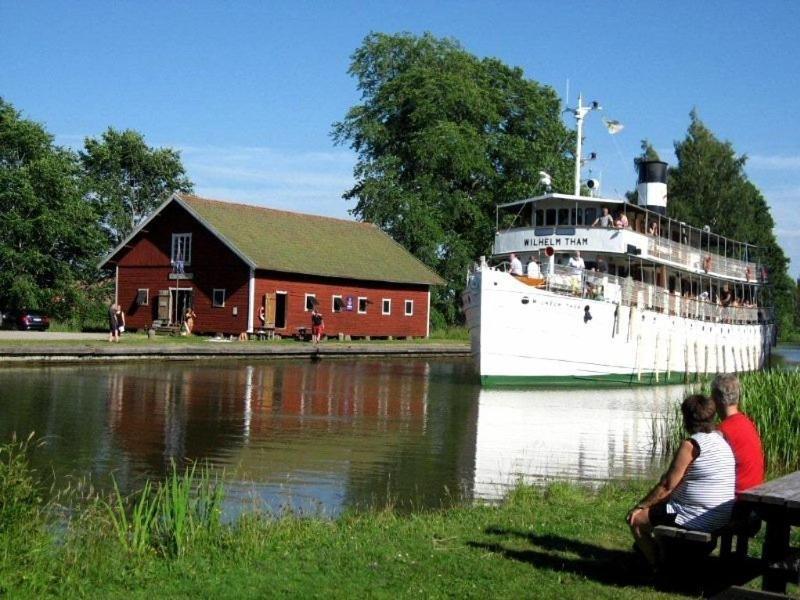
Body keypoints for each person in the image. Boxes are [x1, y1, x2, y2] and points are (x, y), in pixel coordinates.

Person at [627, 394, 735, 567]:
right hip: (721, 515)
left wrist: (640, 506)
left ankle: (657, 568)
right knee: (660, 511)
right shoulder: (721, 440)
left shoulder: (692, 445)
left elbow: (666, 485)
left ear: (687, 418)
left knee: (636, 520)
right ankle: (663, 554)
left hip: (696, 517)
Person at [711, 374, 765, 496]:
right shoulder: (748, 422)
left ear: (716, 399)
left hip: (738, 498)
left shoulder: (721, 432)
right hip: (756, 489)